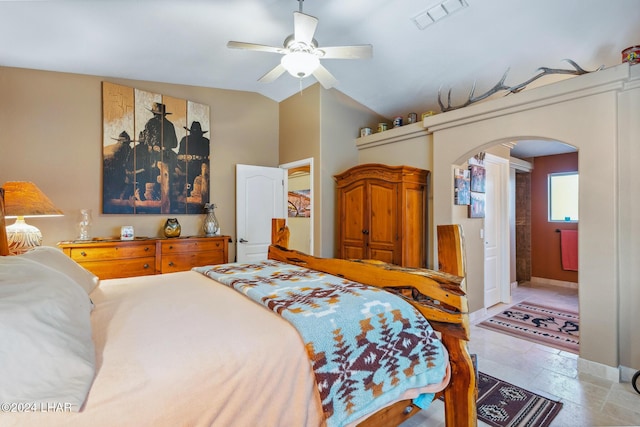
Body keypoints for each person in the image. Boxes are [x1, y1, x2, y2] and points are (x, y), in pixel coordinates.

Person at [178, 121, 210, 199]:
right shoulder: (185, 140)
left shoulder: (206, 141)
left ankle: (188, 190)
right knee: (187, 172)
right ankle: (187, 189)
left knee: (193, 172)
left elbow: (209, 155)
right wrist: (184, 157)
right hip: (186, 164)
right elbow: (179, 155)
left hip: (201, 165)